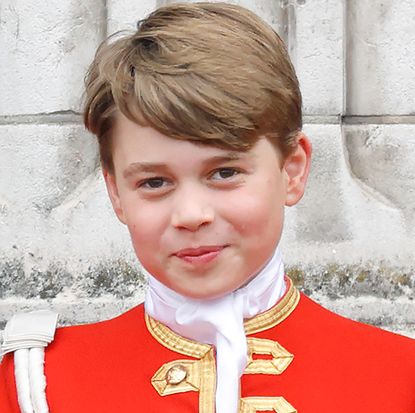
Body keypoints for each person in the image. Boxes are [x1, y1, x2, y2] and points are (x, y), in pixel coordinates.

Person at [1, 2, 414, 413]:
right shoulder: (37, 385)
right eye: (154, 182)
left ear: (292, 170)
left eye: (224, 172)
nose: (191, 215)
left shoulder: (400, 378)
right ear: (115, 193)